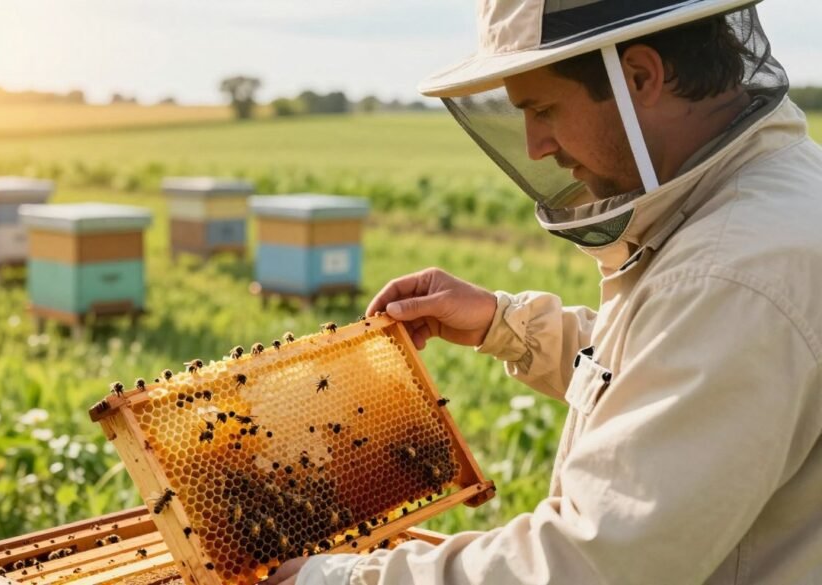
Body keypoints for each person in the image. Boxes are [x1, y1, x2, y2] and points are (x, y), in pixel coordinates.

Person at [265, 0, 822, 583]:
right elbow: (672, 369)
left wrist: (339, 578)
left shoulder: (731, 273)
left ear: (639, 77)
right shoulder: (763, 209)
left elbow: (594, 562)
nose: (534, 145)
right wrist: (503, 324)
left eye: (543, 108)